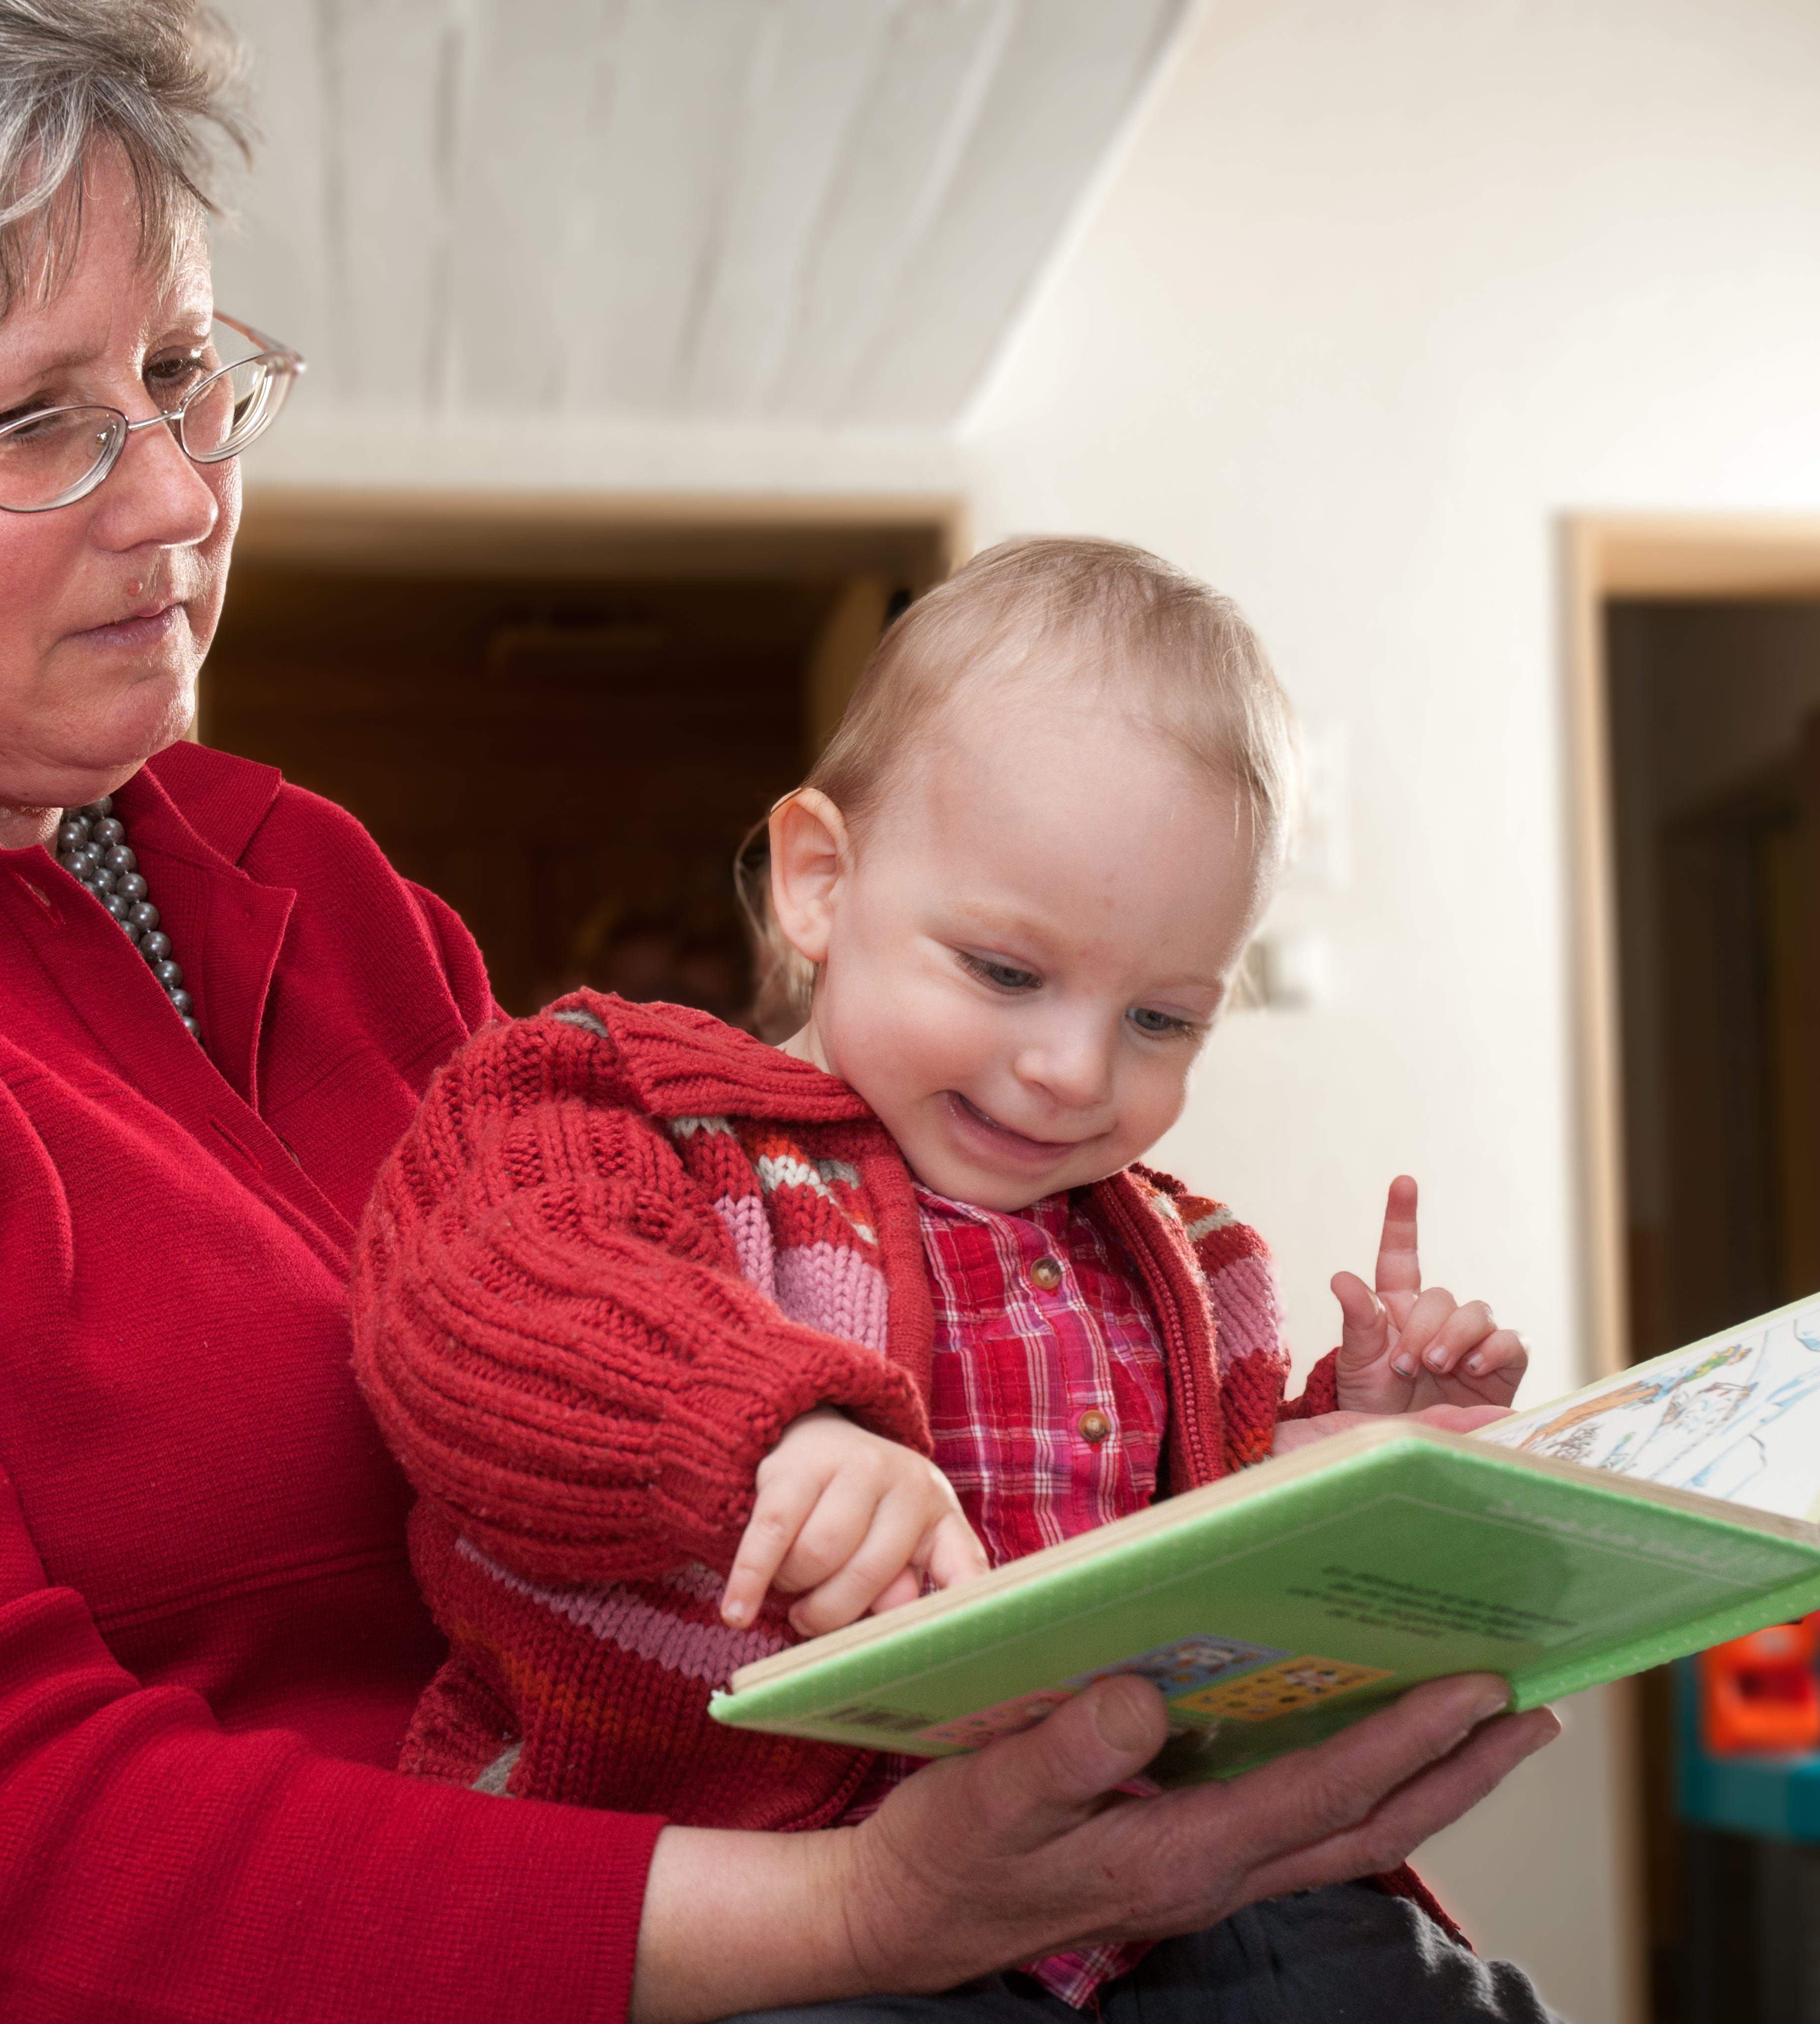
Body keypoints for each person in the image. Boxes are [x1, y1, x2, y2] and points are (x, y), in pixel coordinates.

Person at [0, 5, 1562, 2020]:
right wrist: (858, 1912)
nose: (173, 498)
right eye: (32, 426)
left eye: (182, 375)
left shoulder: (299, 884)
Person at [353, 539, 1558, 2019]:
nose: (1071, 1068)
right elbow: (486, 1301)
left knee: (1419, 1993)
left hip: (1157, 1889)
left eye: (1161, 1018)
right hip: (768, 1886)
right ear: (821, 880)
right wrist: (774, 1428)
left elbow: (1220, 1593)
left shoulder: (1200, 1258)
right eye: (1004, 972)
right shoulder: (619, 1111)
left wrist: (1347, 1451)